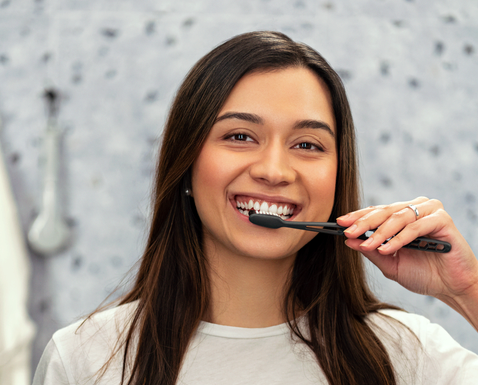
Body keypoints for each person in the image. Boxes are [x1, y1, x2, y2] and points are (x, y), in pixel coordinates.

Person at [32, 31, 478, 385]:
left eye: (307, 144)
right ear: (187, 162)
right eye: (240, 136)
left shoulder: (411, 356)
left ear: (338, 176)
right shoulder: (84, 360)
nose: (274, 170)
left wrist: (467, 290)